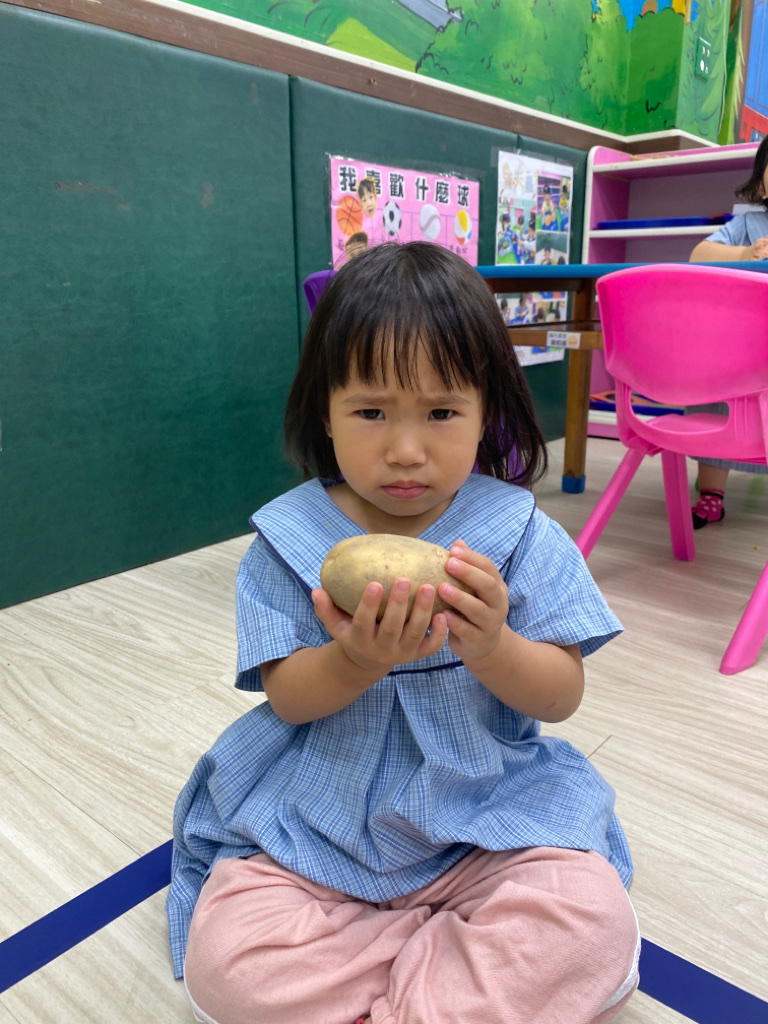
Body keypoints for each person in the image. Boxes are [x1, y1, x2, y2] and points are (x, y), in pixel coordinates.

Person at [167, 242, 639, 1024]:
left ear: (487, 412)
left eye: (442, 413)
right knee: (230, 963)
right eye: (371, 412)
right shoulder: (286, 541)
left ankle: (383, 975)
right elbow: (289, 699)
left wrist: (492, 646)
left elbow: (560, 696)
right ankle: (439, 977)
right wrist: (354, 658)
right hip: (316, 825)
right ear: (325, 412)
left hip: (484, 819)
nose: (406, 450)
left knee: (591, 923)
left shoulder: (519, 533)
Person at [688, 135, 768, 528]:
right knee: (714, 397)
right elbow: (698, 256)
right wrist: (745, 253)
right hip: (739, 348)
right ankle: (711, 493)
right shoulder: (749, 225)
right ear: (761, 183)